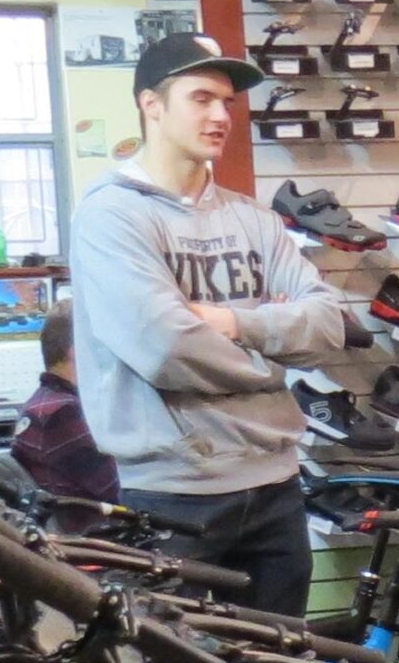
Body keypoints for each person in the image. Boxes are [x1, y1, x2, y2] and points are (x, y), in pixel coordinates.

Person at [70, 32, 348, 615]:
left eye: (228, 102)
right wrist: (271, 362)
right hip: (176, 494)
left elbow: (327, 326)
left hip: (276, 489)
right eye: (201, 98)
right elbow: (168, 347)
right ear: (151, 105)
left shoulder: (256, 220)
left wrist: (229, 322)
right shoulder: (111, 216)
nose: (221, 115)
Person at [7, 302, 121, 525]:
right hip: (99, 542)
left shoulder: (43, 403)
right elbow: (118, 491)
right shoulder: (63, 413)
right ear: (76, 351)